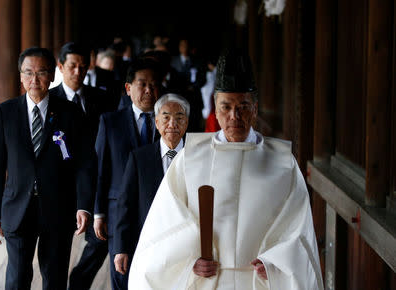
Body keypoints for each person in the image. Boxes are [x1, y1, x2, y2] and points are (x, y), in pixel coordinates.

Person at [128, 48, 324, 289]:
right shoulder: (190, 158)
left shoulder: (283, 163)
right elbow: (166, 224)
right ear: (215, 108)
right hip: (207, 279)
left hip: (259, 280)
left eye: (243, 106)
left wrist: (274, 261)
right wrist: (189, 259)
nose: (234, 116)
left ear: (255, 109)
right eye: (226, 107)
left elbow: (297, 227)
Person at [0, 47, 93, 289]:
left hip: (58, 208)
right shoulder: (6, 112)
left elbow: (85, 163)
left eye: (41, 72)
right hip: (17, 207)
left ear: (52, 75)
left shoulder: (71, 113)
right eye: (28, 73)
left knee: (54, 277)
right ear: (20, 76)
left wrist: (84, 206)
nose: (34, 80)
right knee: (17, 277)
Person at [93, 57, 162, 290]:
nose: (148, 90)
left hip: (157, 212)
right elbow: (100, 171)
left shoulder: (169, 124)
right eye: (141, 84)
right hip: (117, 213)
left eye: (153, 85)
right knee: (121, 275)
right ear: (128, 88)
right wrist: (98, 212)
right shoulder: (110, 122)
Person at [48, 42, 109, 290]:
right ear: (61, 66)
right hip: (62, 183)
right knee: (58, 250)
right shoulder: (49, 101)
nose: (77, 72)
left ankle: (79, 281)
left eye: (83, 67)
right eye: (72, 66)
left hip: (96, 178)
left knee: (100, 238)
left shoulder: (101, 98)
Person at [113, 94, 190, 278]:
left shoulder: (197, 157)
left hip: (186, 246)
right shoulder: (139, 158)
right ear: (156, 122)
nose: (172, 124)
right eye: (166, 118)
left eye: (179, 118)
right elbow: (125, 204)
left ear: (186, 122)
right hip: (148, 243)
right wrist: (121, 248)